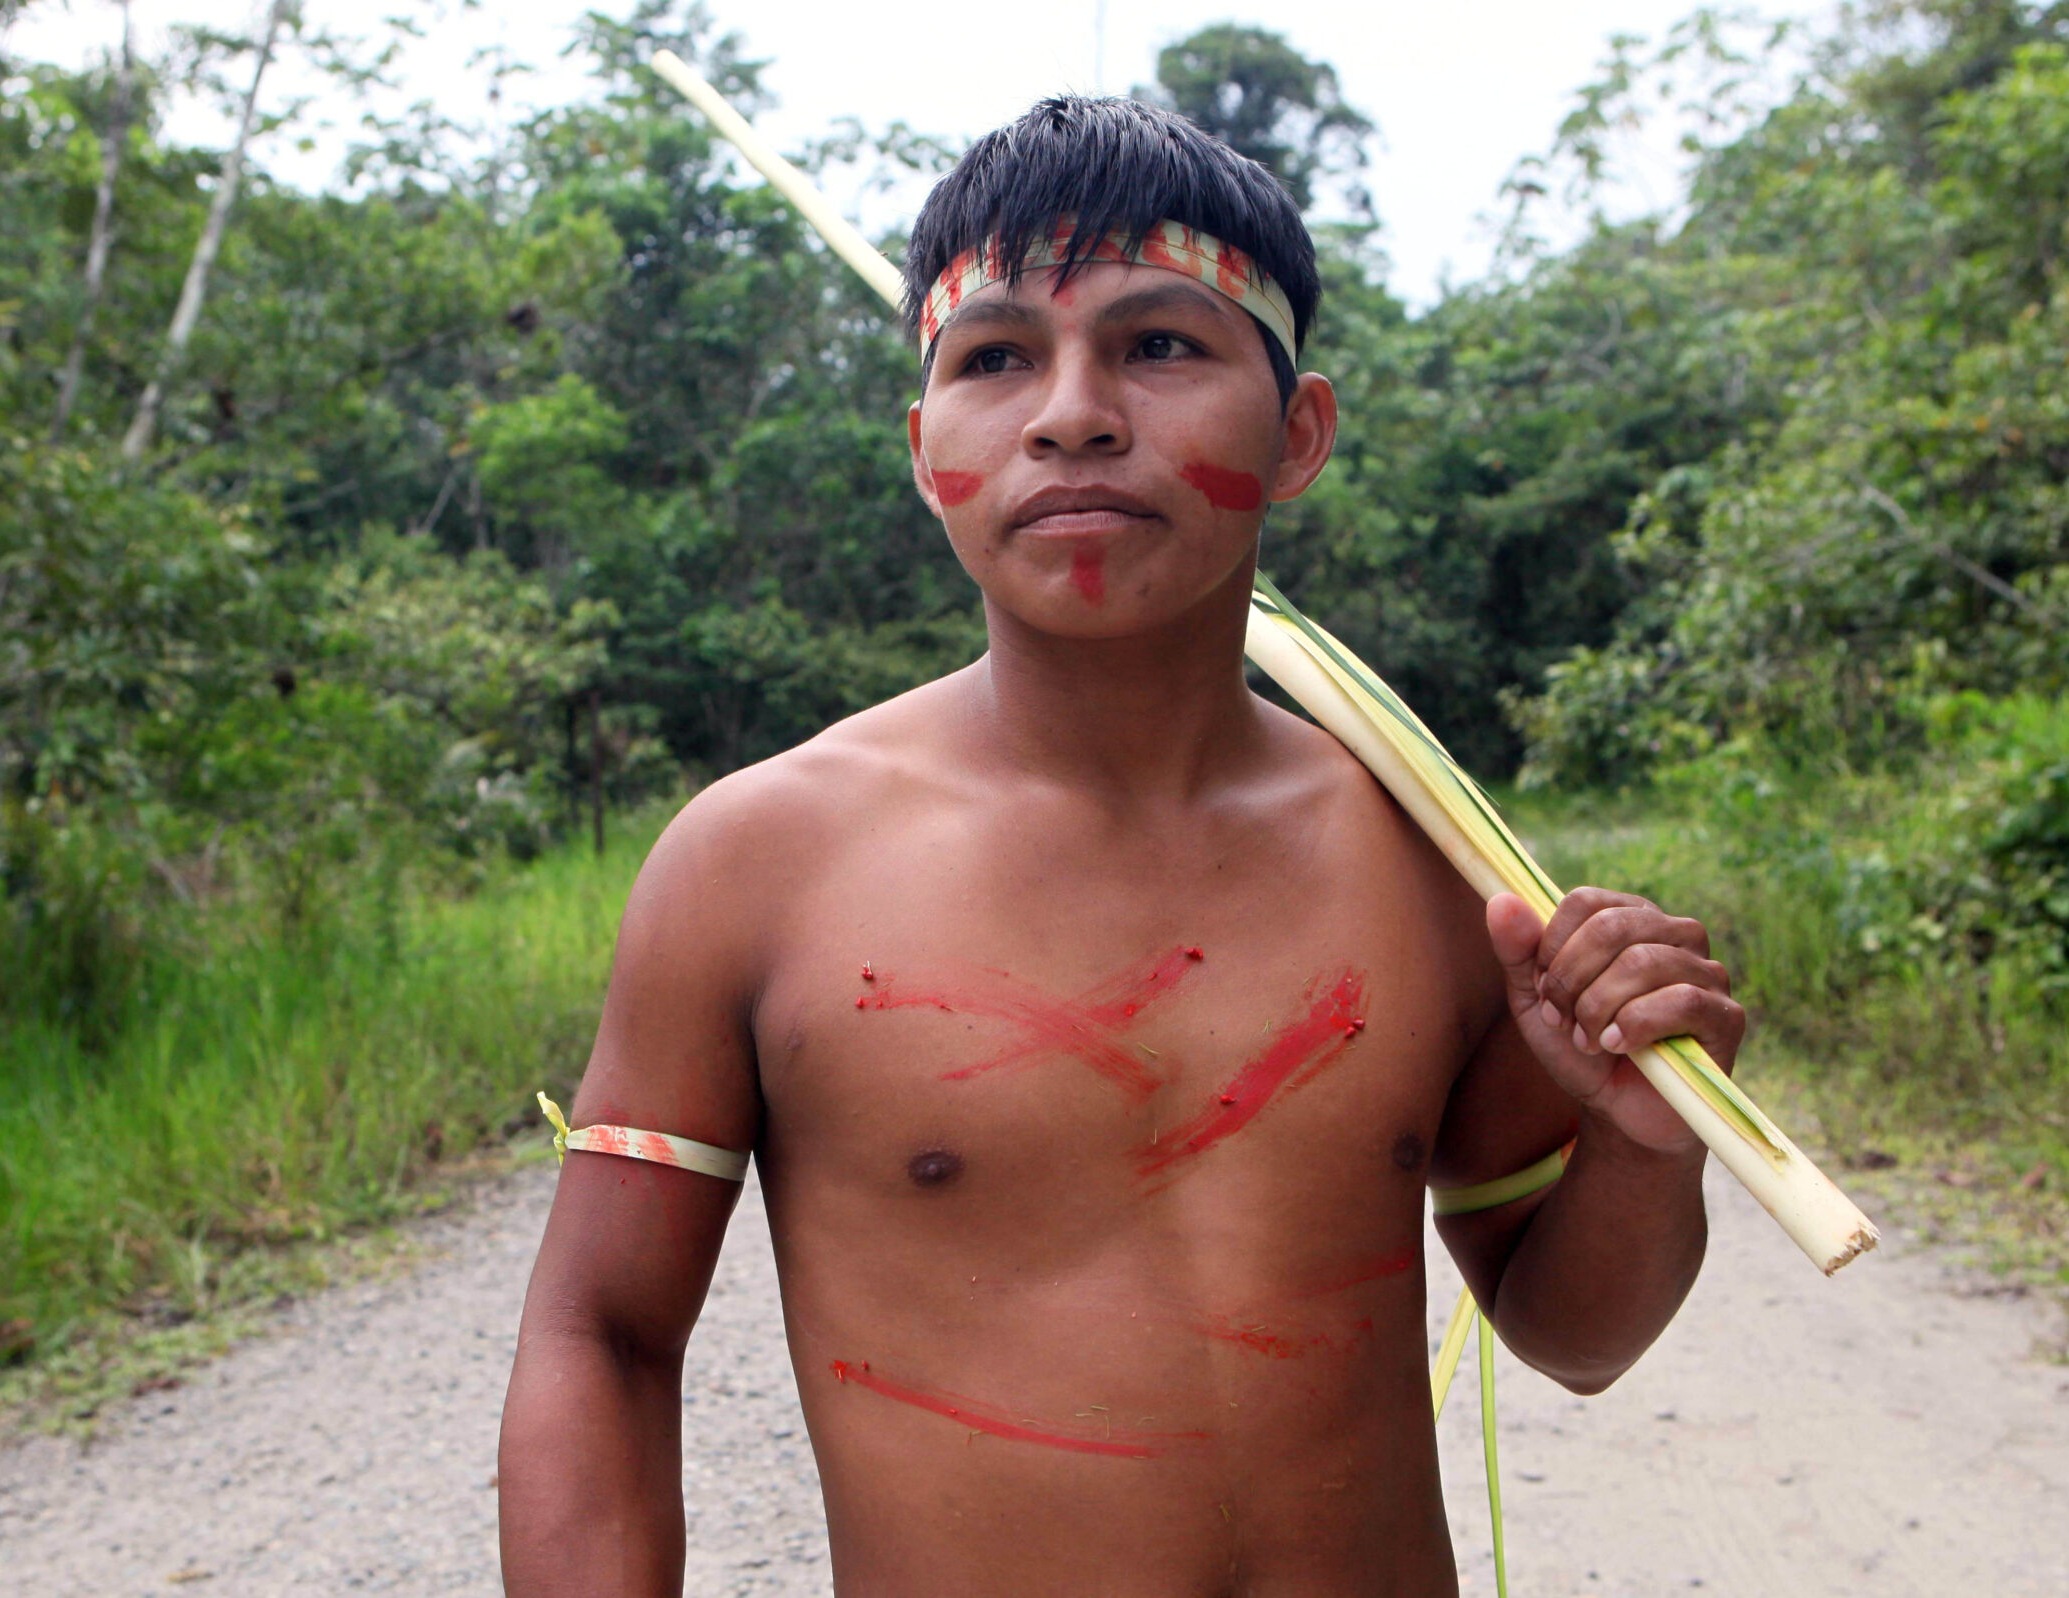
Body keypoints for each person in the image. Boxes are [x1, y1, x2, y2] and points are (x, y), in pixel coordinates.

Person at [498, 94, 1745, 1597]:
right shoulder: (758, 864)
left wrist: (1638, 1141)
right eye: (997, 356)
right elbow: (602, 1336)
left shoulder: (1429, 862)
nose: (1073, 409)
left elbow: (1579, 1335)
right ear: (922, 445)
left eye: (1160, 344)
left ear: (1299, 433)